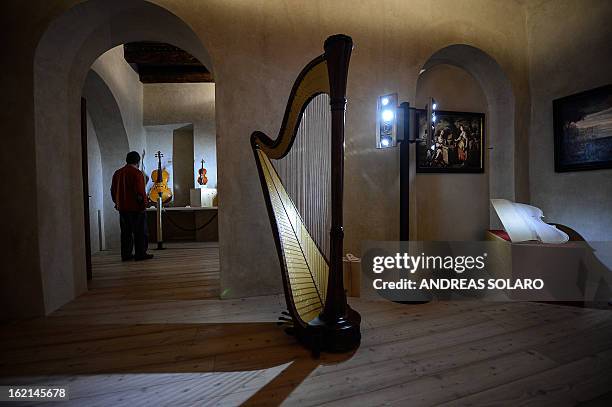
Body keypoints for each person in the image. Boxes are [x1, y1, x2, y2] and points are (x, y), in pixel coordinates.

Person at [111, 151, 153, 261]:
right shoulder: (137, 173)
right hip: (136, 208)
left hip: (122, 208)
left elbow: (113, 190)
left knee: (125, 233)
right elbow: (139, 192)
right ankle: (140, 254)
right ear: (138, 161)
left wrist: (117, 203)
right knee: (140, 232)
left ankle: (126, 255)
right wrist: (144, 205)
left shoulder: (117, 173)